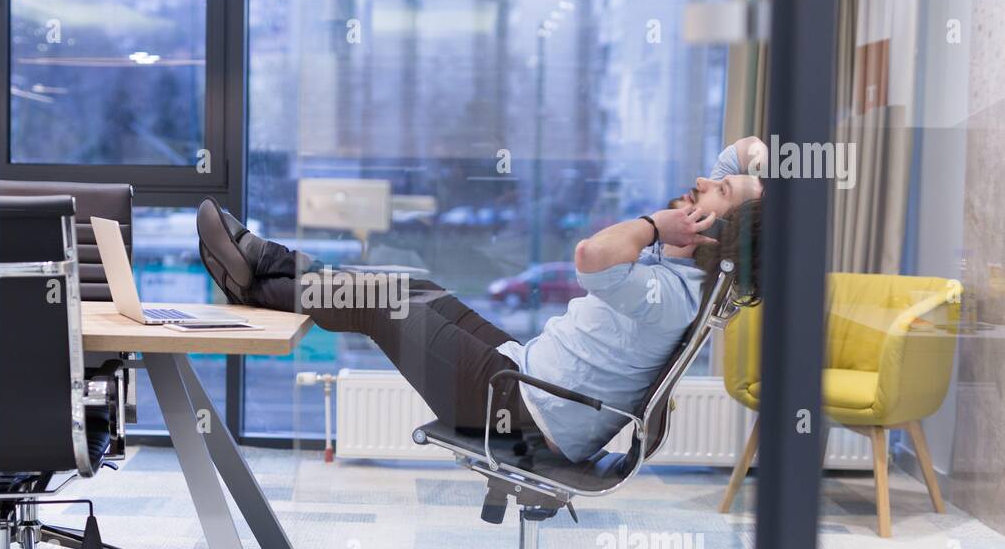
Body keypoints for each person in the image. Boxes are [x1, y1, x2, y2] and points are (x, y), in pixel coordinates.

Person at [197, 140, 765, 463]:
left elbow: (590, 255)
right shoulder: (694, 271)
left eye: (718, 191)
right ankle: (257, 267)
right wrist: (758, 166)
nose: (702, 180)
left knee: (384, 303)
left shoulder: (669, 292)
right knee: (414, 285)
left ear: (721, 229)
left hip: (524, 414)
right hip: (525, 374)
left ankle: (253, 270)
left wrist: (651, 223)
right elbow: (734, 157)